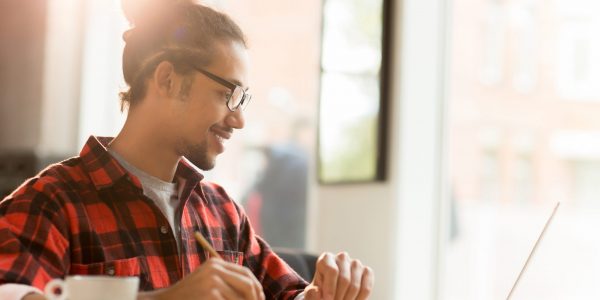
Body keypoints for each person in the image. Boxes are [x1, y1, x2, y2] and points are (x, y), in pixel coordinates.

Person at [0, 1, 374, 299]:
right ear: (167, 80)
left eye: (243, 99)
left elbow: (290, 295)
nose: (240, 119)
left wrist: (325, 291)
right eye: (229, 94)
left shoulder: (223, 212)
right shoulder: (51, 202)